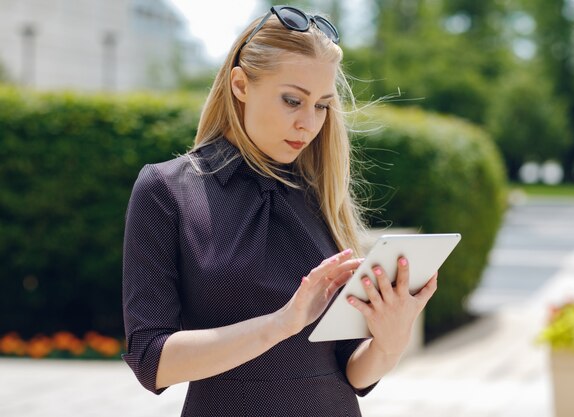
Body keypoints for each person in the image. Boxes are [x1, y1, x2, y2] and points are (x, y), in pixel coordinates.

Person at [122, 5, 438, 416]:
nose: (309, 123)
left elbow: (352, 372)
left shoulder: (320, 192)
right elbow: (150, 359)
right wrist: (282, 323)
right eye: (293, 100)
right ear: (240, 84)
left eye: (322, 105)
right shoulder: (167, 190)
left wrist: (390, 338)